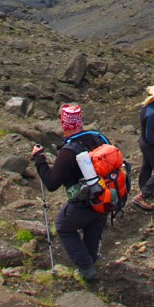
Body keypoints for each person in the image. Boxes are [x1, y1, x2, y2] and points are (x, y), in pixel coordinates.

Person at [31, 103, 107, 282]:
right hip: (104, 197)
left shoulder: (68, 151)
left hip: (84, 202)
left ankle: (86, 268)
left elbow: (51, 183)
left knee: (64, 228)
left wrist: (39, 159)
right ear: (80, 122)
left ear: (63, 124)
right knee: (93, 227)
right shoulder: (97, 138)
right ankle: (91, 263)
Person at [133, 85, 154, 211]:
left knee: (147, 166)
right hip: (149, 144)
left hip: (144, 143)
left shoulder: (147, 108)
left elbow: (152, 127)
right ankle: (142, 195)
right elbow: (149, 136)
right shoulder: (152, 113)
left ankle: (145, 188)